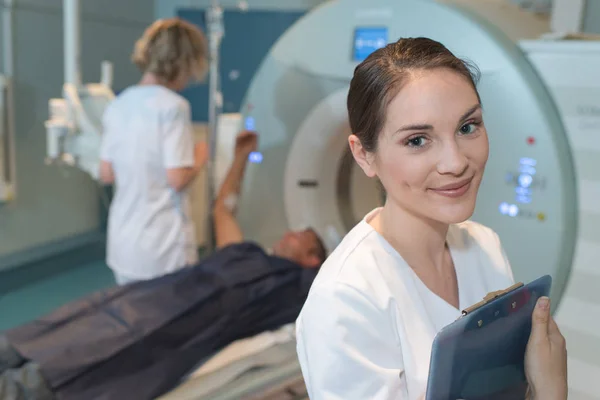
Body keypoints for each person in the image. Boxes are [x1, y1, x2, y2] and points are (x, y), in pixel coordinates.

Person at [295, 37, 568, 400]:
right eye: (418, 140)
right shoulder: (348, 299)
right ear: (363, 155)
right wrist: (550, 392)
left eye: (467, 127)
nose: (456, 163)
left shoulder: (485, 247)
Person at [0, 130, 327, 400]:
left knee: (86, 354)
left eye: (302, 236)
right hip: (155, 293)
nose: (290, 232)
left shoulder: (302, 285)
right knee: (74, 322)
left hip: (185, 323)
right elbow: (224, 210)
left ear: (313, 259)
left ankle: (20, 387)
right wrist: (242, 155)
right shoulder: (247, 251)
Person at [99, 18, 210, 285]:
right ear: (184, 62)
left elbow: (106, 174)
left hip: (124, 246)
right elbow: (177, 178)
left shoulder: (118, 104)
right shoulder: (173, 107)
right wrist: (200, 156)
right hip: (161, 249)